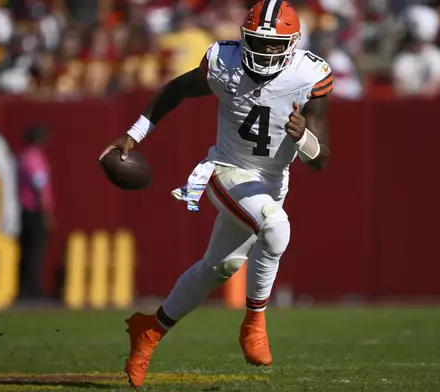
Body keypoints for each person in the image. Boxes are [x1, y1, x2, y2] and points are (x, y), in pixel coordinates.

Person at [99, 0, 333, 387]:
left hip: (273, 181)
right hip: (226, 170)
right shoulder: (225, 62)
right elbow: (176, 90)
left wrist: (304, 137)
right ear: (244, 38)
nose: (265, 51)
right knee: (276, 229)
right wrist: (135, 133)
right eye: (258, 42)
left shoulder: (310, 75)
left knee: (218, 268)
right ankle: (254, 322)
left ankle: (149, 330)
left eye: (275, 45)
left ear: (291, 45)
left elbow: (321, 159)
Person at [17, 125, 55, 300]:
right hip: (35, 210)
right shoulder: (34, 158)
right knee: (35, 251)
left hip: (25, 210)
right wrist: (46, 213)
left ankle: (27, 287)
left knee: (28, 250)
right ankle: (32, 290)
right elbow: (39, 186)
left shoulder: (23, 157)